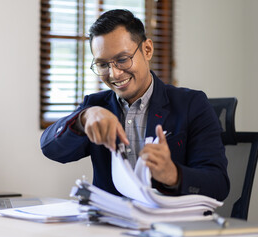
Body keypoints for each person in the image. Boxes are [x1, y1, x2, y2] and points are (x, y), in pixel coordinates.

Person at [40, 9, 229, 201]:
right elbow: (51, 149)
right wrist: (83, 119)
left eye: (122, 59)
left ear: (147, 50)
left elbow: (219, 185)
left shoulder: (191, 104)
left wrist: (173, 175)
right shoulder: (96, 106)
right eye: (103, 65)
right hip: (110, 224)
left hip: (168, 225)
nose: (114, 74)